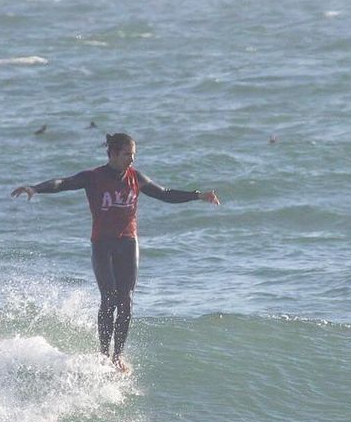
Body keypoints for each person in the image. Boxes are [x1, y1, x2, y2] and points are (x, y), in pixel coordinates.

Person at [11, 133, 220, 372]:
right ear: (112, 153)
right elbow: (63, 183)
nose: (131, 159)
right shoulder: (94, 177)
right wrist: (35, 188)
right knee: (108, 297)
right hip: (102, 244)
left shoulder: (136, 178)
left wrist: (198, 196)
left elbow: (164, 193)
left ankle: (117, 356)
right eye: (127, 155)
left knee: (126, 301)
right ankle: (103, 353)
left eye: (133, 155)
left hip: (128, 243)